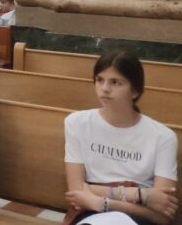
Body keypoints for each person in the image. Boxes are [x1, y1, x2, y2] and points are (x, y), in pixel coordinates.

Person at [64, 51, 178, 225]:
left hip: (138, 219)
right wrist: (142, 195)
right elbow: (76, 193)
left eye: (115, 82)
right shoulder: (77, 123)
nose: (105, 88)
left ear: (135, 91)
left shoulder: (163, 137)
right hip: (90, 213)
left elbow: (162, 215)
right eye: (100, 80)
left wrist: (103, 201)